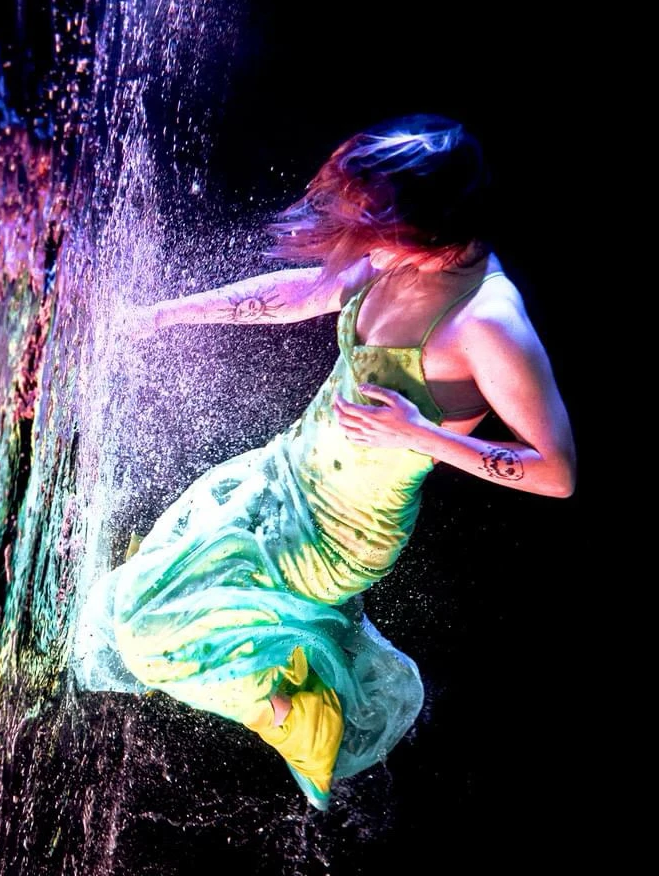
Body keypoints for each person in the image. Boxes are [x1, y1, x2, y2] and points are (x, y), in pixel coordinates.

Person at [74, 114, 576, 810]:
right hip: (281, 473)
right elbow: (303, 294)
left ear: (434, 228)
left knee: (145, 636)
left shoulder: (487, 321)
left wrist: (421, 435)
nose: (364, 245)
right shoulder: (400, 257)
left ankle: (308, 714)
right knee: (139, 596)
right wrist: (161, 316)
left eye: (381, 229)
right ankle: (243, 621)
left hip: (337, 534)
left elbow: (557, 472)